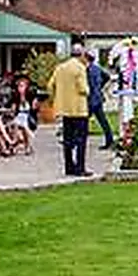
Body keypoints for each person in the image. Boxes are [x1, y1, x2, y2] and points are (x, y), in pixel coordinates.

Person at [50, 42, 92, 177]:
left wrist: (58, 97)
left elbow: (50, 85)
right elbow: (83, 88)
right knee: (81, 140)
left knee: (67, 140)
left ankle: (69, 167)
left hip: (65, 109)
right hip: (79, 109)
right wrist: (88, 90)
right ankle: (80, 168)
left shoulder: (60, 68)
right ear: (81, 54)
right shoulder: (80, 68)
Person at [86, 48, 115, 149]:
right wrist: (100, 87)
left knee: (82, 121)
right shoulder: (97, 68)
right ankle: (110, 140)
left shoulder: (87, 69)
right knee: (103, 121)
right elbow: (107, 77)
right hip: (98, 97)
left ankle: (75, 140)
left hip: (91, 99)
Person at [6, 74, 38, 154]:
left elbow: (34, 110)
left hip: (28, 117)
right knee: (16, 124)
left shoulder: (30, 96)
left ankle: (17, 143)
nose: (20, 88)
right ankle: (24, 144)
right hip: (19, 116)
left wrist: (34, 105)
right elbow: (11, 108)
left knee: (22, 125)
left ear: (26, 87)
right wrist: (13, 108)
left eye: (22, 86)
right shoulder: (15, 96)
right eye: (19, 86)